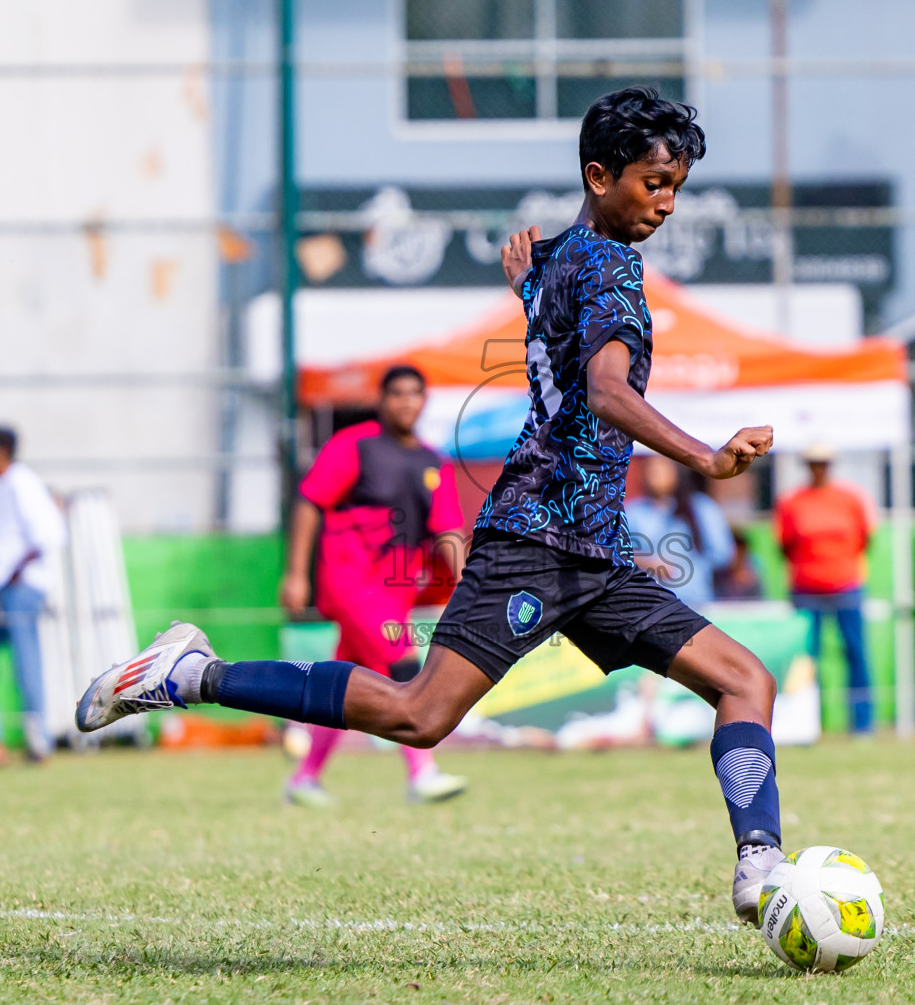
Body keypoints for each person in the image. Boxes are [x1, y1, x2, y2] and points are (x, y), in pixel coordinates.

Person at [76, 86, 784, 924]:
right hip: (536, 539)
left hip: (592, 548)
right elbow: (601, 390)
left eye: (675, 187)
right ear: (599, 175)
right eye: (652, 184)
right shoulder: (610, 268)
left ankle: (762, 870)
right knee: (419, 715)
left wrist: (526, 282)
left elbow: (557, 339)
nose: (665, 204)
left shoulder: (562, 256)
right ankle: (189, 673)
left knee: (743, 679)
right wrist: (704, 456)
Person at [278, 364, 471, 806]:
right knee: (403, 659)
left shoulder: (431, 461)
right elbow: (309, 503)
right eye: (397, 393)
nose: (406, 402)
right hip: (349, 580)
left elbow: (448, 530)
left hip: (393, 590)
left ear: (425, 401)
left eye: (415, 394)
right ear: (381, 400)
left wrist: (466, 583)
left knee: (339, 679)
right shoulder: (354, 445)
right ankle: (422, 772)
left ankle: (304, 778)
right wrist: (294, 574)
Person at [0, 425, 65, 766]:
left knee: (26, 663)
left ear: (2, 449)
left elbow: (50, 535)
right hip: (1, 587)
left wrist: (15, 573)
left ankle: (39, 742)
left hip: (21, 588)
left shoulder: (22, 481)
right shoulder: (5, 484)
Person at [773, 443, 875, 735]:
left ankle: (862, 723)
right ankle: (808, 724)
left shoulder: (849, 500)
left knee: (856, 653)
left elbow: (864, 539)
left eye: (824, 463)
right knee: (807, 658)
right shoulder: (792, 502)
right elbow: (785, 545)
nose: (819, 468)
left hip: (846, 586)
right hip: (806, 590)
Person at [625, 455, 734, 607]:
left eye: (661, 469)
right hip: (647, 605)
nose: (655, 475)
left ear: (676, 471)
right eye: (651, 469)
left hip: (694, 603)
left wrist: (693, 571)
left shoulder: (700, 508)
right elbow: (616, 553)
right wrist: (647, 563)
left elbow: (722, 554)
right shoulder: (633, 512)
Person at [714, 529, 766, 602]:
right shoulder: (718, 575)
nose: (736, 556)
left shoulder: (753, 577)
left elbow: (758, 602)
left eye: (740, 552)